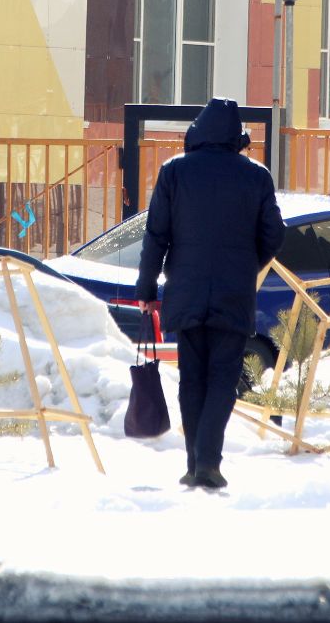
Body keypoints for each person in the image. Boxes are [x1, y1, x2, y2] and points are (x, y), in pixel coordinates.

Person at [135, 98, 285, 490]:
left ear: (197, 131)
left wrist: (147, 287)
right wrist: (247, 263)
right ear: (237, 136)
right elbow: (274, 234)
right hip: (234, 293)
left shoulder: (174, 172)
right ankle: (208, 462)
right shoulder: (256, 176)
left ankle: (193, 463)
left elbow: (156, 236)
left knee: (191, 377)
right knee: (223, 378)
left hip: (185, 288)